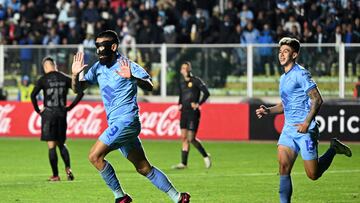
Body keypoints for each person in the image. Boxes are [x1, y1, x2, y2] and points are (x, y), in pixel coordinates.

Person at [71, 30, 190, 203]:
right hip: (119, 125)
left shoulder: (127, 65)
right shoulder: (97, 68)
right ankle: (179, 197)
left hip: (126, 121)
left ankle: (120, 197)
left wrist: (133, 77)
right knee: (143, 168)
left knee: (94, 156)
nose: (98, 52)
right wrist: (75, 75)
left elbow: (150, 86)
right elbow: (77, 89)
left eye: (102, 47)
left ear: (113, 47)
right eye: (96, 47)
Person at [255, 37, 352, 203]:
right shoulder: (283, 77)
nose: (281, 55)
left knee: (313, 175)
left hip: (305, 130)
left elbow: (317, 99)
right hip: (289, 130)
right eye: (280, 52)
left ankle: (334, 149)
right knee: (283, 168)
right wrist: (268, 111)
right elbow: (287, 105)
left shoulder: (301, 73)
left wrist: (307, 123)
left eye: (286, 51)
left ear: (294, 55)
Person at [31, 56, 84, 181]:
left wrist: (38, 111)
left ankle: (55, 175)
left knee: (51, 146)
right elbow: (80, 92)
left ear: (45, 67)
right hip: (61, 113)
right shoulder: (64, 78)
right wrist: (70, 107)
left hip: (49, 114)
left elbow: (33, 95)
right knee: (62, 144)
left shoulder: (43, 79)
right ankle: (68, 168)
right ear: (55, 65)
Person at [172, 61, 211, 170]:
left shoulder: (196, 81)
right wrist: (179, 104)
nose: (185, 70)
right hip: (184, 112)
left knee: (191, 138)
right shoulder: (181, 83)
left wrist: (199, 104)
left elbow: (206, 93)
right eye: (183, 68)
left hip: (193, 113)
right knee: (184, 137)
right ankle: (183, 163)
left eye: (186, 68)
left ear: (190, 69)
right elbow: (181, 95)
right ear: (181, 71)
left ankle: (205, 155)